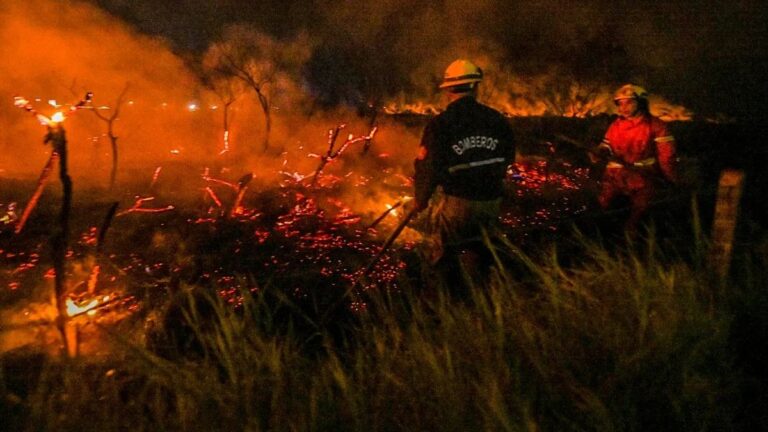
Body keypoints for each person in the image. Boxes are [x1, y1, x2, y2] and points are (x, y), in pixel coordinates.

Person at [412, 59, 516, 292]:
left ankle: (437, 311)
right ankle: (480, 303)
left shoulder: (441, 125)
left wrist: (421, 199)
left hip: (459, 204)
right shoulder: (497, 120)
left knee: (440, 258)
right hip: (491, 201)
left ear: (448, 89)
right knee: (479, 252)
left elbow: (429, 167)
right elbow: (508, 158)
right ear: (475, 86)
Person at [592, 84, 678, 233]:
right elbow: (606, 146)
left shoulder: (657, 126)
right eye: (620, 103)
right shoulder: (615, 125)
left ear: (641, 103)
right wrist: (598, 153)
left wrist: (671, 178)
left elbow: (667, 156)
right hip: (614, 176)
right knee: (602, 212)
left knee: (638, 217)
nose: (623, 107)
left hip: (642, 177)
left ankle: (632, 246)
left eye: (629, 102)